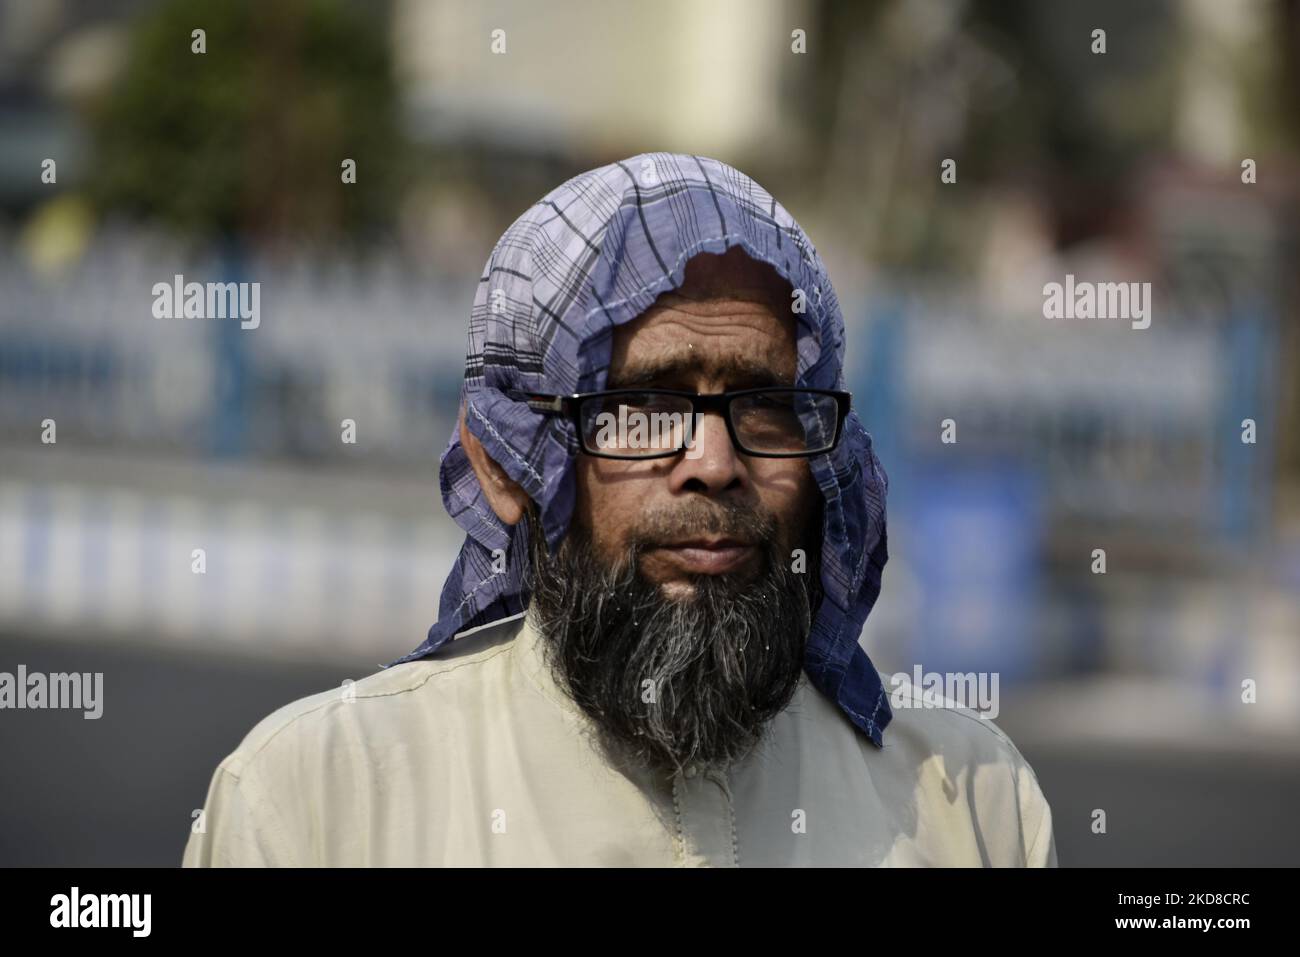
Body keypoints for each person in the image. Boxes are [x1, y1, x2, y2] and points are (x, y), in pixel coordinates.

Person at [183, 153, 1056, 867]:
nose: (715, 464)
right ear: (504, 461)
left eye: (764, 404)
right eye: (643, 406)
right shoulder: (319, 805)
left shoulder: (969, 803)